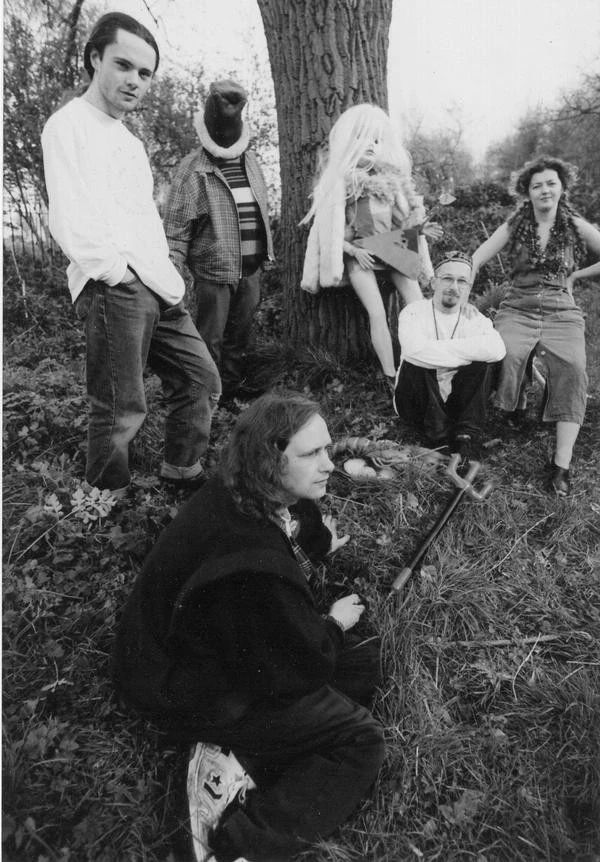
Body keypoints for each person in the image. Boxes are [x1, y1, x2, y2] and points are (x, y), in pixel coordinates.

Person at [112, 391, 385, 862]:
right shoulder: (253, 565)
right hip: (179, 689)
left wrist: (319, 545)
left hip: (189, 654)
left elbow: (301, 523)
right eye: (311, 454)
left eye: (327, 449)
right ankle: (243, 845)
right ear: (271, 461)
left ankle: (238, 756)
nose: (329, 464)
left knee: (362, 661)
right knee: (361, 738)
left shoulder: (238, 492)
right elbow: (298, 665)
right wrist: (333, 626)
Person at [41, 13, 220, 495]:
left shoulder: (130, 142)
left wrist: (165, 278)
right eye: (123, 65)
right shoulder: (68, 126)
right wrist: (115, 273)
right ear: (95, 58)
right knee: (120, 406)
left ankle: (182, 470)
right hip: (114, 284)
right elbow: (68, 215)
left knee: (201, 379)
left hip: (156, 284)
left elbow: (142, 220)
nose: (135, 81)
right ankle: (105, 500)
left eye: (145, 73)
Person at [471, 155, 600, 495]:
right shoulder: (515, 224)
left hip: (561, 309)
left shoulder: (574, 224)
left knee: (574, 367)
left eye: (551, 183)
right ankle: (516, 405)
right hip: (518, 306)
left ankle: (561, 465)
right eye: (537, 185)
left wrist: (576, 275)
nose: (545, 190)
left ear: (562, 188)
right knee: (506, 353)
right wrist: (460, 284)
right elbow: (477, 257)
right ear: (526, 192)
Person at [300, 103, 441, 386]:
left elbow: (402, 222)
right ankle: (391, 376)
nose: (370, 146)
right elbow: (330, 234)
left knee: (418, 307)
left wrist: (419, 229)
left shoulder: (390, 182)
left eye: (376, 140)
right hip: (361, 253)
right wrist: (354, 250)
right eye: (362, 138)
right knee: (377, 313)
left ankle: (425, 364)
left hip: (391, 246)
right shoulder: (342, 183)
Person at [164, 80, 274, 402]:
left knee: (240, 337)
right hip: (214, 274)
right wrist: (172, 277)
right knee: (209, 340)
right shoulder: (192, 170)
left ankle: (230, 393)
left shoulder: (250, 162)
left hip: (250, 270)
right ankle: (205, 400)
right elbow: (175, 232)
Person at [393, 251, 506, 456]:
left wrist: (435, 352)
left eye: (462, 281)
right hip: (416, 404)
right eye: (447, 278)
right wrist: (469, 352)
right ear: (434, 282)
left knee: (485, 363)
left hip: (456, 403)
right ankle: (439, 438)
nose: (454, 287)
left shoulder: (474, 318)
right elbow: (414, 350)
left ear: (468, 287)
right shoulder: (413, 312)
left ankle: (466, 435)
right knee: (415, 363)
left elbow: (497, 350)